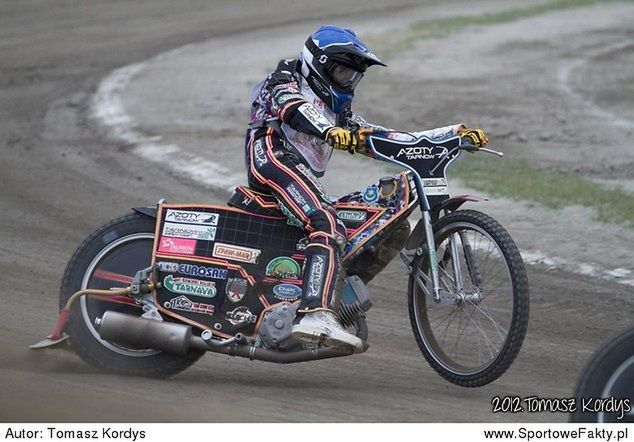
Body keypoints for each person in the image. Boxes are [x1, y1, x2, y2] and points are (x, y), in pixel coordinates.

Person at [245, 25, 488, 353]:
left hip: (296, 166)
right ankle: (314, 314)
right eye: (342, 71)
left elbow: (382, 137)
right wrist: (330, 130)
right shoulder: (285, 78)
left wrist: (450, 134)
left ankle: (334, 298)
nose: (348, 80)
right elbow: (294, 108)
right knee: (326, 222)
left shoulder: (338, 113)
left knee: (394, 225)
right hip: (271, 156)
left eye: (353, 75)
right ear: (319, 63)